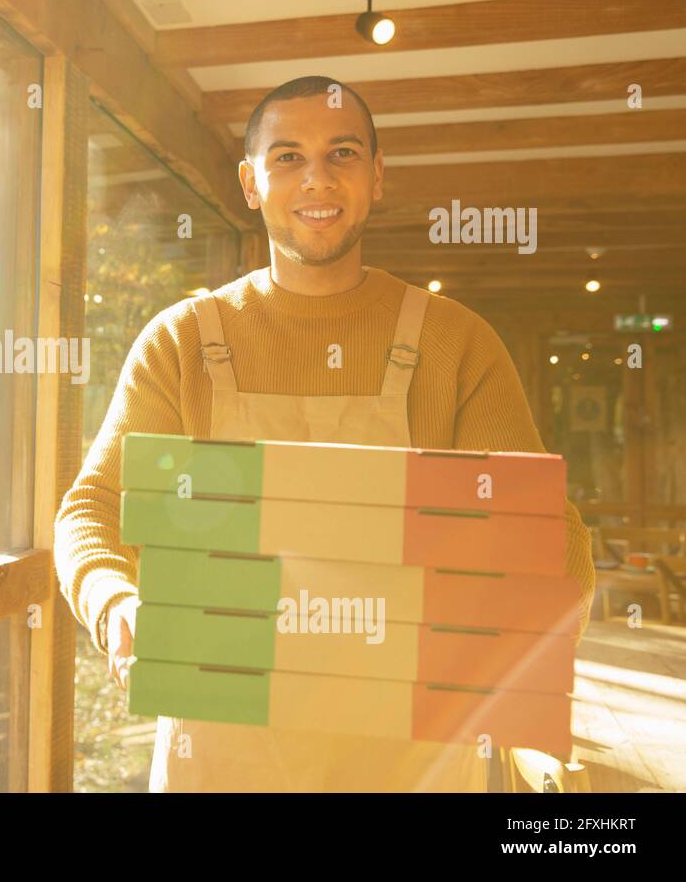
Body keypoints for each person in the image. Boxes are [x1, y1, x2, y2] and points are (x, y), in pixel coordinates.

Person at [53, 74, 596, 792]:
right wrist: (116, 604)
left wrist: (507, 653)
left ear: (377, 176)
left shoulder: (456, 344)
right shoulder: (182, 342)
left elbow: (549, 534)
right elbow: (92, 508)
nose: (317, 178)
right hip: (218, 757)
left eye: (342, 153)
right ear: (250, 182)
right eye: (287, 157)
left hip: (413, 759)